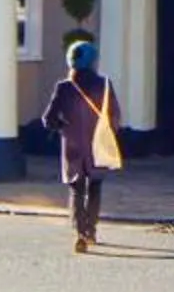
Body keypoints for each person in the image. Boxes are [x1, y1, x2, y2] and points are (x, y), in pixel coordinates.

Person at [40, 38, 126, 253]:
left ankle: (80, 233)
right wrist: (109, 133)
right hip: (97, 144)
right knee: (95, 187)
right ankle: (91, 230)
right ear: (93, 61)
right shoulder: (104, 85)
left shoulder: (64, 87)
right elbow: (114, 115)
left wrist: (62, 127)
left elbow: (47, 119)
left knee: (76, 190)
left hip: (73, 146)